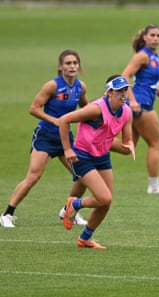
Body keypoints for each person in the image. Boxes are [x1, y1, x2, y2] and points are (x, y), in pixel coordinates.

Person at [0, 49, 89, 228]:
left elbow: (85, 110)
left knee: (82, 175)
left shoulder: (80, 87)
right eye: (68, 63)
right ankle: (7, 214)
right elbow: (34, 108)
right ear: (60, 66)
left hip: (65, 139)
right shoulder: (52, 86)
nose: (72, 66)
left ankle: (68, 211)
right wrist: (55, 121)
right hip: (46, 136)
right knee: (34, 176)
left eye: (75, 63)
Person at [60, 74, 134, 249]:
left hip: (102, 157)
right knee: (104, 197)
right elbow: (64, 121)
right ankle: (74, 203)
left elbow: (126, 139)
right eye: (119, 91)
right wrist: (67, 150)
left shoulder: (127, 112)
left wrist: (129, 146)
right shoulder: (96, 110)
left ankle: (85, 238)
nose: (123, 94)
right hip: (82, 157)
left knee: (106, 203)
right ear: (109, 92)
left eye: (125, 90)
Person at [111, 24, 159, 195]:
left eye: (158, 35)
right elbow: (125, 76)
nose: (156, 38)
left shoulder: (157, 56)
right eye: (152, 35)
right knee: (156, 143)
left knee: (127, 148)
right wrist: (132, 100)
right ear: (145, 38)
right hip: (141, 104)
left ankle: (99, 141)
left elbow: (151, 84)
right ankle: (154, 186)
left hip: (144, 101)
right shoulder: (142, 56)